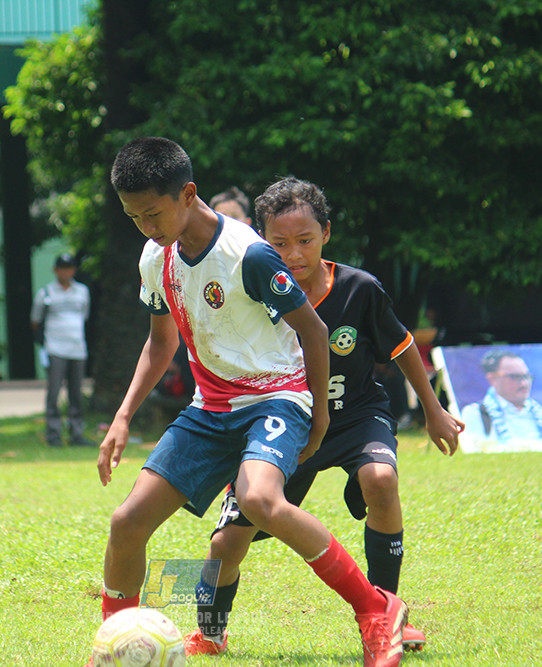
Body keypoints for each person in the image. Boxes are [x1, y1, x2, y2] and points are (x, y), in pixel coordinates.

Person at [94, 137, 408, 667]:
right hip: (210, 408)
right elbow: (161, 341)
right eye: (133, 217)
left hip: (276, 400)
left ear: (187, 194)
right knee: (128, 522)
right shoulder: (155, 257)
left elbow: (312, 330)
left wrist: (319, 415)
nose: (145, 226)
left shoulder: (250, 254)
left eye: (152, 212)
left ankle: (377, 609)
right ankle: (113, 645)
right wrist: (122, 417)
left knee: (262, 501)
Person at [185, 177, 464, 658]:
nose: (293, 254)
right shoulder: (248, 291)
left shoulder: (359, 288)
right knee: (226, 545)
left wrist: (435, 410)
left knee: (380, 479)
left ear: (327, 234)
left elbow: (401, 347)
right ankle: (209, 633)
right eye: (279, 243)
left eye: (305, 240)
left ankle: (385, 611)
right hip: (282, 425)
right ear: (260, 241)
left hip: (354, 416)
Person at [31, 252, 92, 447]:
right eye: (62, 268)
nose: (66, 272)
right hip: (55, 348)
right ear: (55, 270)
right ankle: (53, 434)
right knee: (54, 391)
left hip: (77, 348)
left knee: (76, 392)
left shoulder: (82, 291)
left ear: (73, 270)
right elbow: (35, 321)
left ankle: (76, 433)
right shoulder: (46, 293)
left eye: (69, 268)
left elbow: (85, 315)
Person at [459, 350, 542, 453]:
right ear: (493, 379)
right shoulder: (476, 414)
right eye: (514, 377)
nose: (524, 383)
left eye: (526, 376)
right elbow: (475, 452)